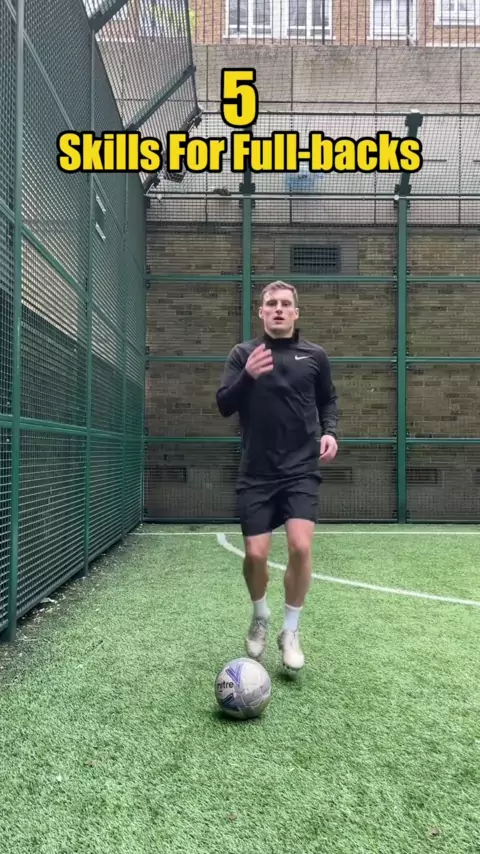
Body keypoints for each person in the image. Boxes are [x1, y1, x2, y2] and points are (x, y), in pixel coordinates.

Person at [216, 280, 338, 671]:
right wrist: (247, 376)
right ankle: (260, 616)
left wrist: (330, 431)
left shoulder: (315, 355)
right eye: (272, 303)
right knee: (255, 555)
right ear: (261, 312)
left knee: (301, 547)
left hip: (301, 469)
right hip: (257, 472)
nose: (279, 309)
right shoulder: (243, 354)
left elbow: (328, 400)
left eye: (286, 304)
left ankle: (291, 630)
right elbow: (224, 405)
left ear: (296, 313)